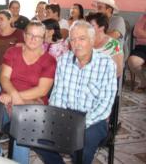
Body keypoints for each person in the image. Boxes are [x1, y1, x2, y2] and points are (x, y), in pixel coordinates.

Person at [35, 20, 117, 164]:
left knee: (82, 145)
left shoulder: (107, 64)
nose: (76, 44)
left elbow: (105, 104)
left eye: (82, 39)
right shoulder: (63, 60)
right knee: (38, 136)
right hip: (67, 114)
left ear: (92, 40)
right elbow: (58, 95)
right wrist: (58, 118)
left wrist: (80, 125)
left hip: (94, 119)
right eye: (72, 39)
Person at [0, 20, 56, 164]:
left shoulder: (49, 60)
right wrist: (13, 95)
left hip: (33, 103)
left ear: (43, 39)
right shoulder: (13, 52)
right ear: (24, 35)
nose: (33, 39)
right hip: (7, 98)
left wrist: (15, 97)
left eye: (37, 36)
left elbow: (42, 90)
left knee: (22, 128)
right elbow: (4, 78)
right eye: (30, 34)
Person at [86, 12, 123, 77]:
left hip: (104, 80)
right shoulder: (84, 41)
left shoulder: (113, 45)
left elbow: (118, 71)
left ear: (101, 28)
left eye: (91, 25)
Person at [127, 13, 146, 92]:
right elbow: (136, 32)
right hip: (142, 47)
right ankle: (144, 82)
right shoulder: (144, 17)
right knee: (133, 61)